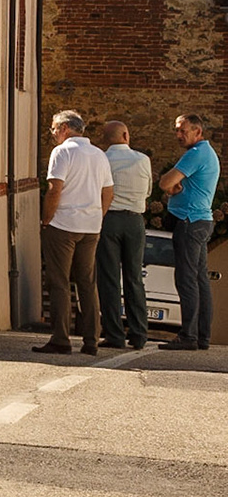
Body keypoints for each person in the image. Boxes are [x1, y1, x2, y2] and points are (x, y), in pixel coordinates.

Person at [35, 110, 113, 356]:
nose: (53, 134)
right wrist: (96, 216)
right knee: (87, 283)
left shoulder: (63, 152)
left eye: (54, 129)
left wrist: (46, 219)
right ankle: (91, 340)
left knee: (59, 283)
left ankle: (61, 338)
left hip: (64, 224)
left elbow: (54, 189)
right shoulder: (99, 154)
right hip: (90, 227)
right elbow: (108, 192)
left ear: (65, 128)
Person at [158, 113, 219, 351]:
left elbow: (165, 183)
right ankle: (202, 336)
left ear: (198, 132)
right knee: (199, 279)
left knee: (186, 279)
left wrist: (171, 186)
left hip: (189, 221)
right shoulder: (206, 153)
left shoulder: (196, 154)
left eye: (183, 130)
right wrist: (175, 186)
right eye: (176, 130)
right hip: (201, 221)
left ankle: (188, 336)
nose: (178, 135)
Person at [94, 120, 153, 351]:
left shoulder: (102, 159)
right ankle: (139, 333)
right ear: (126, 135)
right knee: (134, 277)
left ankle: (114, 333)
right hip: (135, 220)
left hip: (109, 219)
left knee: (109, 278)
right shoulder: (142, 160)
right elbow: (148, 190)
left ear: (105, 139)